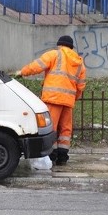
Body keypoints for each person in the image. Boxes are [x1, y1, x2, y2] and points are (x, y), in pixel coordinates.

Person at [15, 35, 86, 165]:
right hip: (68, 101)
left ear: (60, 45)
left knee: (51, 128)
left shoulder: (55, 54)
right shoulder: (79, 63)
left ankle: (51, 154)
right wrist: (73, 98)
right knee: (65, 129)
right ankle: (63, 156)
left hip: (53, 98)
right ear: (71, 47)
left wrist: (22, 72)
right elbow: (81, 86)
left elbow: (37, 66)